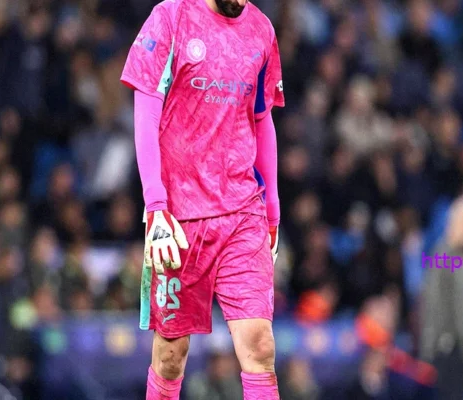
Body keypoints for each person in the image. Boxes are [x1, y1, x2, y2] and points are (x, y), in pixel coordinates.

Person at [120, 0, 284, 399]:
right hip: (178, 219)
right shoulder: (171, 17)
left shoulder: (262, 30)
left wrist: (272, 212)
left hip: (243, 210)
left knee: (260, 345)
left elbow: (262, 119)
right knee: (170, 356)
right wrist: (155, 205)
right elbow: (145, 113)